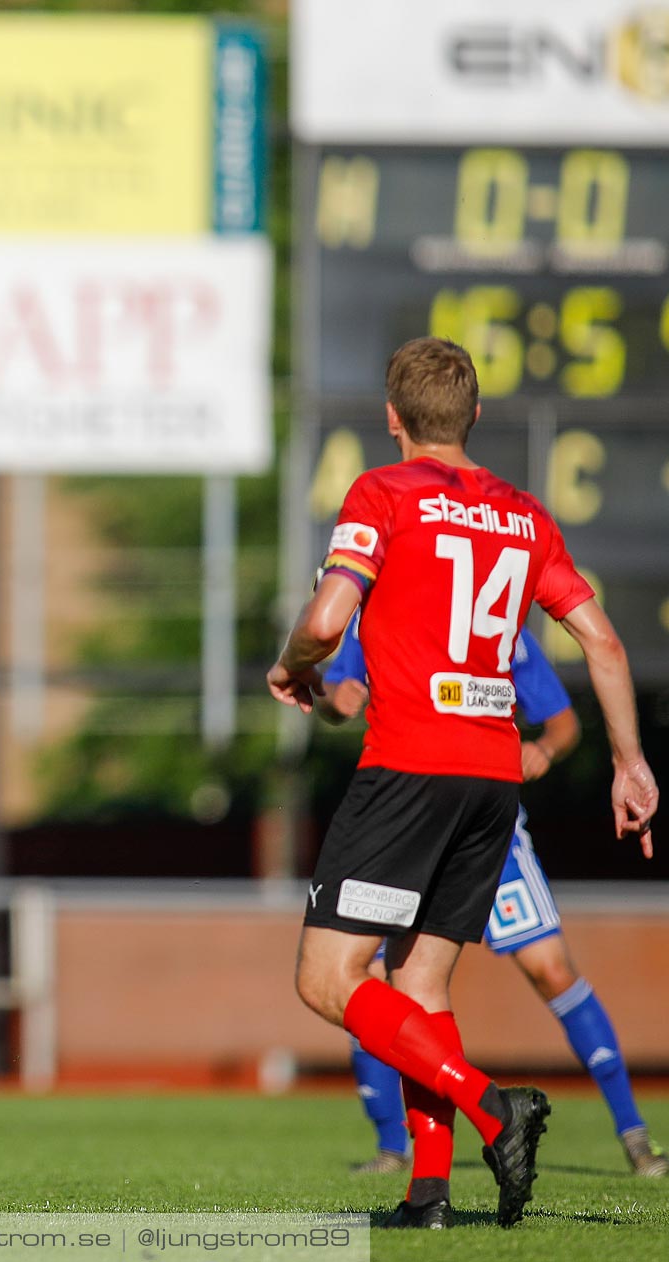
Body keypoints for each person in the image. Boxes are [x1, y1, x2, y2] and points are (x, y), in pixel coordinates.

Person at [268, 336, 656, 1230]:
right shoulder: (523, 514)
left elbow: (329, 620)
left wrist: (292, 665)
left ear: (394, 419)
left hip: (410, 764)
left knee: (328, 979)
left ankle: (490, 1107)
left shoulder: (383, 492)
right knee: (421, 986)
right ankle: (430, 1196)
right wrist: (631, 764)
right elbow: (603, 641)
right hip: (493, 782)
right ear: (476, 416)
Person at [321, 618, 667, 1179]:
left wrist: (545, 751)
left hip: (487, 825)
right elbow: (339, 695)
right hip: (408, 819)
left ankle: (634, 1137)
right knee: (380, 979)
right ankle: (394, 1147)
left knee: (552, 970)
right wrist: (334, 693)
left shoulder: (494, 623)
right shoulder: (375, 617)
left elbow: (562, 724)